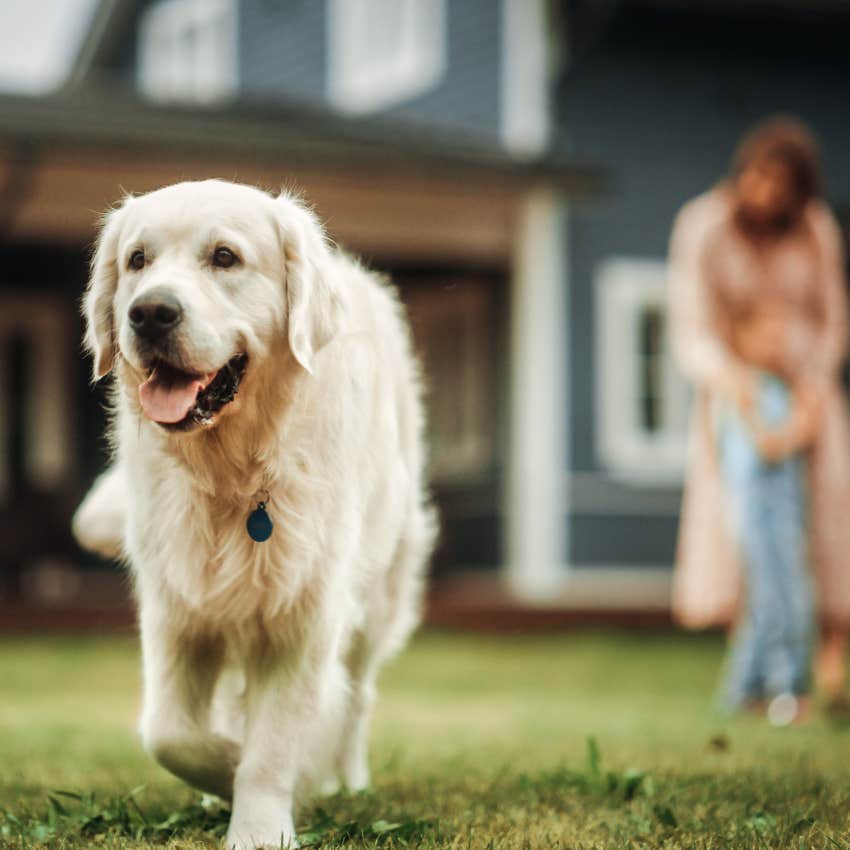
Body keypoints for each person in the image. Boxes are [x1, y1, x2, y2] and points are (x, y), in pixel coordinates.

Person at [669, 117, 850, 715]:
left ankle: (789, 677)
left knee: (817, 535)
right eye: (759, 177)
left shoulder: (817, 229)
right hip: (737, 394)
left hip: (808, 399)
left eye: (783, 184)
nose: (768, 193)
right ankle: (767, 682)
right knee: (751, 541)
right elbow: (690, 328)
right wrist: (736, 383)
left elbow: (832, 323)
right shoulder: (703, 226)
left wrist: (810, 402)